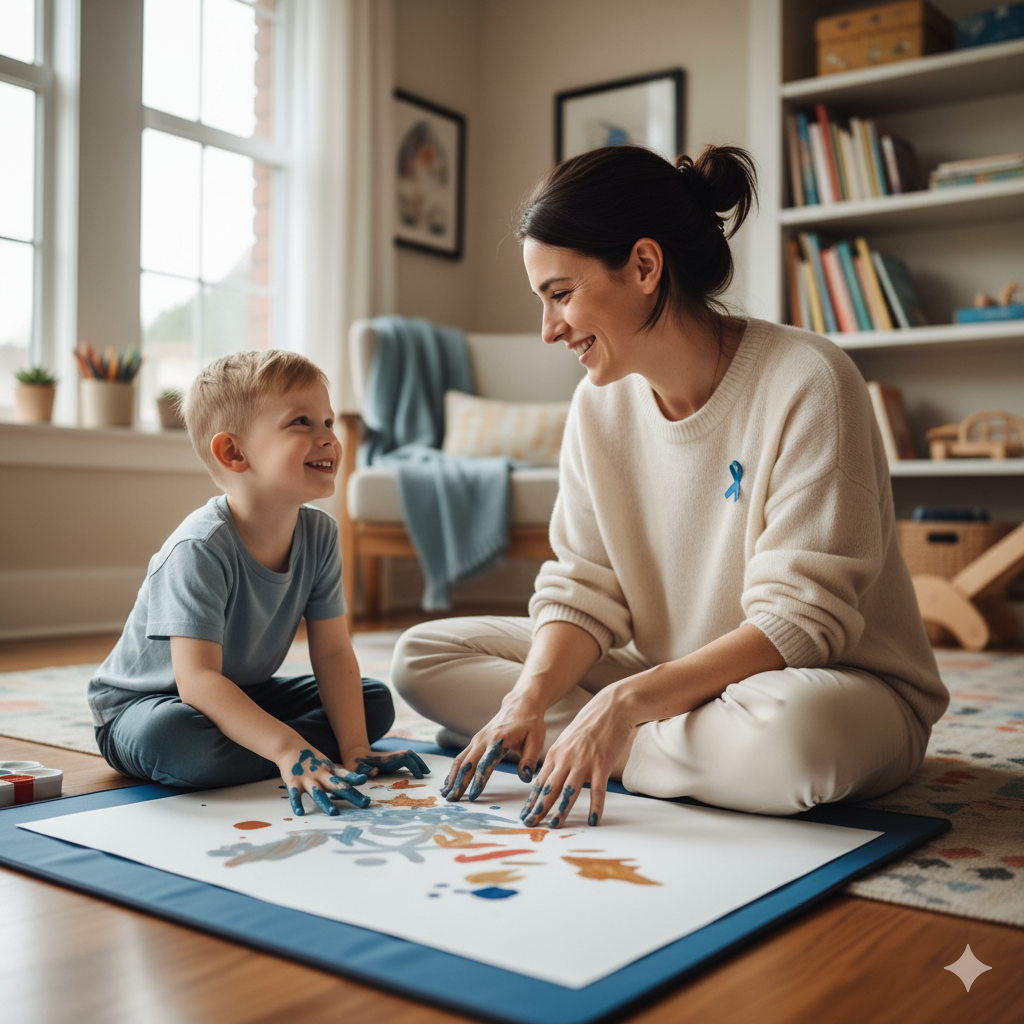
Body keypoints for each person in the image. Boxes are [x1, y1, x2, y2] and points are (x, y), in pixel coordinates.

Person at [391, 143, 947, 827]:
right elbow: (582, 587)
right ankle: (596, 738)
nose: (548, 329)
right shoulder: (598, 407)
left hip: (836, 687)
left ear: (645, 266)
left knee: (802, 742)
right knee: (424, 657)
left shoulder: (809, 381)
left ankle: (600, 743)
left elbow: (801, 623)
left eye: (560, 295)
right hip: (670, 679)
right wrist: (527, 697)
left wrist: (623, 706)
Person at [88, 350, 428, 814]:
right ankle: (288, 753)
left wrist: (356, 749)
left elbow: (330, 652)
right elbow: (199, 681)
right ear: (233, 452)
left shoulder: (320, 534)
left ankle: (283, 746)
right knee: (178, 741)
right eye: (302, 423)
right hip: (149, 706)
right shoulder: (199, 548)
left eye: (327, 422)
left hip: (240, 692)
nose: (328, 438)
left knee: (372, 703)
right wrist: (288, 746)